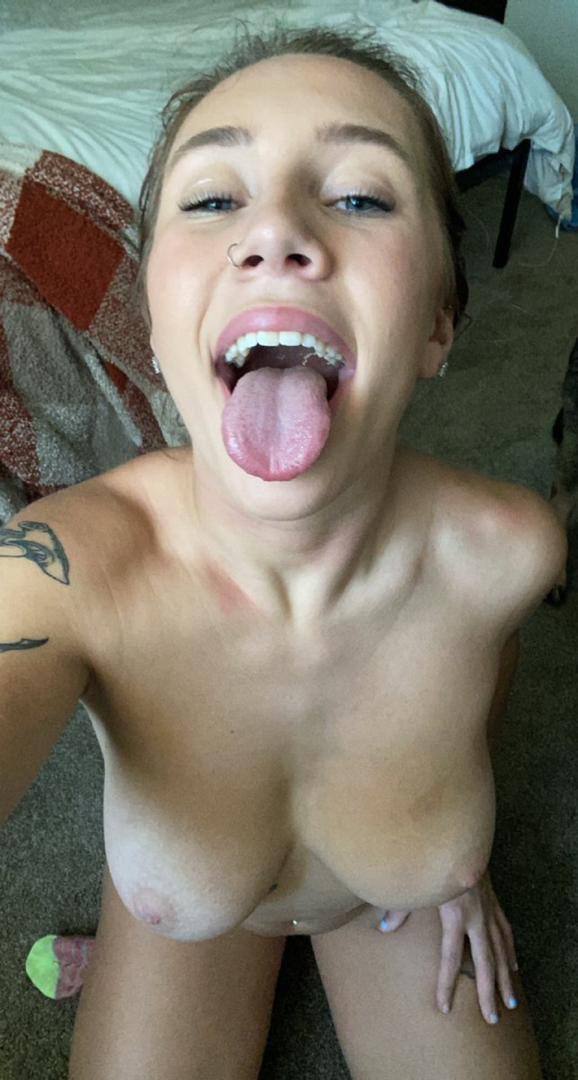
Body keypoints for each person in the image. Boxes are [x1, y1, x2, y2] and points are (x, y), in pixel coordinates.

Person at [0, 21, 566, 1080]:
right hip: (197, 918)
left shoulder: (509, 552)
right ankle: (137, 925)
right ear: (153, 322)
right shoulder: (71, 572)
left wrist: (464, 862)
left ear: (439, 323)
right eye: (214, 199)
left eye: (359, 196)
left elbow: (484, 668)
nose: (274, 233)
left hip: (386, 901)